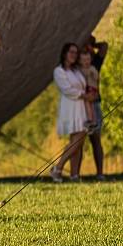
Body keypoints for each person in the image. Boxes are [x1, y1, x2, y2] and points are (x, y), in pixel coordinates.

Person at [50, 44, 96, 182]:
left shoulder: (76, 71)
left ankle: (74, 174)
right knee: (77, 140)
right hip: (70, 107)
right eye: (71, 52)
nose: (73, 55)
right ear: (65, 53)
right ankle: (58, 168)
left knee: (78, 142)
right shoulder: (59, 71)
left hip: (81, 107)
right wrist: (84, 95)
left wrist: (89, 96)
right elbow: (67, 89)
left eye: (75, 52)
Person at [83, 35, 107, 179]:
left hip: (94, 103)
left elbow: (104, 45)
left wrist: (92, 44)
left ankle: (100, 173)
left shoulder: (95, 63)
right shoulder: (78, 62)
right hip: (80, 105)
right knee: (77, 141)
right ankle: (75, 174)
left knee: (95, 139)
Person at [78, 49, 99, 132]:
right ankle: (91, 120)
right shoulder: (80, 69)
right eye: (84, 60)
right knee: (88, 105)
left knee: (88, 102)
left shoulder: (91, 68)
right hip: (86, 89)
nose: (86, 62)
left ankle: (91, 120)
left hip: (91, 89)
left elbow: (96, 77)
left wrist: (93, 73)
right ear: (80, 61)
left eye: (88, 60)